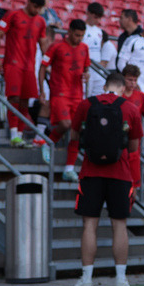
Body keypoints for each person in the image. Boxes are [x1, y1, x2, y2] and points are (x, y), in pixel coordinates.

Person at [71, 71, 143, 286]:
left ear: (104, 86)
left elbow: (75, 137)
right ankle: (121, 281)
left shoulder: (86, 104)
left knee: (89, 225)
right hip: (120, 174)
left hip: (90, 172)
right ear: (122, 87)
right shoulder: (130, 108)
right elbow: (133, 148)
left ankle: (86, 281)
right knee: (119, 226)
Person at [0, 0, 49, 146]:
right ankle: (12, 134)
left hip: (29, 66)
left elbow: (43, 44)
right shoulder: (13, 15)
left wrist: (47, 63)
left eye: (39, 8)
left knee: (25, 100)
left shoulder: (41, 21)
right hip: (12, 63)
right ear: (29, 2)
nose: (37, 10)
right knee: (14, 98)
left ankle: (18, 135)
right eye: (35, 6)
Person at [38, 19, 91, 181]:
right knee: (65, 124)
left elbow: (86, 68)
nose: (79, 39)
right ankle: (47, 143)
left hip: (77, 95)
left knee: (76, 131)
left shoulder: (84, 48)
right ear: (69, 32)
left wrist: (86, 75)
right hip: (59, 93)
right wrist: (42, 91)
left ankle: (68, 169)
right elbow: (42, 68)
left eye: (82, 36)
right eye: (76, 35)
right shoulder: (56, 47)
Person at [81, 2, 108, 98]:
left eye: (99, 18)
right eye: (96, 17)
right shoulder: (82, 29)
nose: (98, 20)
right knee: (84, 96)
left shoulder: (99, 31)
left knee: (99, 96)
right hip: (86, 68)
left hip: (97, 69)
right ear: (88, 14)